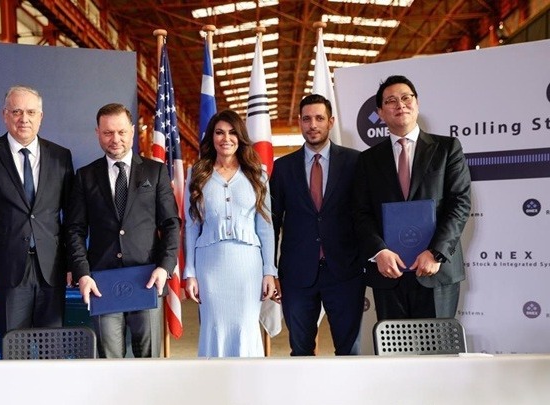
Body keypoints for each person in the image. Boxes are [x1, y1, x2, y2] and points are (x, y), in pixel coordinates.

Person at [353, 75, 471, 320]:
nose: (400, 105)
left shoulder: (447, 148)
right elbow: (361, 212)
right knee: (394, 345)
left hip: (436, 271)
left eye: (406, 98)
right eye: (391, 101)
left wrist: (436, 252)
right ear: (380, 112)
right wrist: (379, 252)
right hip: (389, 273)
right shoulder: (367, 160)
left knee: (438, 344)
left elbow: (459, 204)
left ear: (417, 103)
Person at [67, 103, 179, 358]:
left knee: (149, 361)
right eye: (108, 133)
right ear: (98, 133)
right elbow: (75, 230)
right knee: (109, 362)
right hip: (102, 284)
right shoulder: (85, 176)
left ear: (132, 131)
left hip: (147, 280)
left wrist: (165, 267)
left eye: (121, 132)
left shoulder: (155, 171)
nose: (115, 139)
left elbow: (171, 224)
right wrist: (82, 274)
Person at [0, 85, 75, 335]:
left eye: (31, 112)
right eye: (16, 111)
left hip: (52, 269)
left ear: (41, 117)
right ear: (5, 115)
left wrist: (72, 265)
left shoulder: (61, 156)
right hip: (6, 269)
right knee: (14, 346)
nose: (24, 119)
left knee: (51, 347)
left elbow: (71, 218)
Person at [270, 94, 364, 356]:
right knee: (300, 352)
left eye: (319, 118)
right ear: (300, 122)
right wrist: (271, 270)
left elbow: (365, 216)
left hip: (345, 273)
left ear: (330, 122)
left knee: (349, 352)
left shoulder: (355, 162)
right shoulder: (283, 168)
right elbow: (272, 222)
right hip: (297, 275)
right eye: (307, 119)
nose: (313, 125)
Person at [184, 109, 277, 357]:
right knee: (213, 327)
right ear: (211, 137)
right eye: (219, 132)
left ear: (241, 137)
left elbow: (265, 226)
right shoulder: (196, 174)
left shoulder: (257, 174)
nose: (226, 138)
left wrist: (269, 270)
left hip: (248, 268)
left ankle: (248, 380)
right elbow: (191, 227)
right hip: (209, 267)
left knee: (246, 326)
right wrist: (190, 272)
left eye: (232, 132)